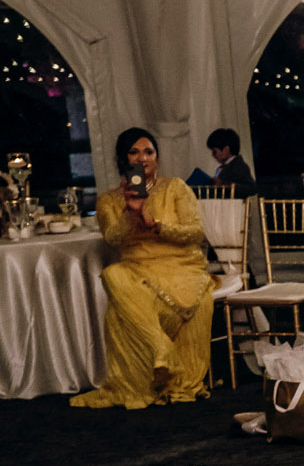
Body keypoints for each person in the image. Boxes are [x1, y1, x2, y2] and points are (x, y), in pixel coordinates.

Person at [70, 128, 213, 409]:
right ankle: (161, 348)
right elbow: (112, 239)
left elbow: (196, 232)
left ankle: (166, 365)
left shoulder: (175, 188)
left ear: (157, 156)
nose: (143, 158)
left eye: (149, 151)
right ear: (123, 159)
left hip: (180, 266)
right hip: (138, 271)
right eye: (134, 152)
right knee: (113, 274)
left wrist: (157, 226)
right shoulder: (109, 200)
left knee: (117, 307)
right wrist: (130, 214)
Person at [190, 127, 254, 192]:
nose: (213, 155)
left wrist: (223, 184)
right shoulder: (224, 167)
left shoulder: (238, 165)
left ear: (226, 150)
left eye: (215, 152)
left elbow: (251, 188)